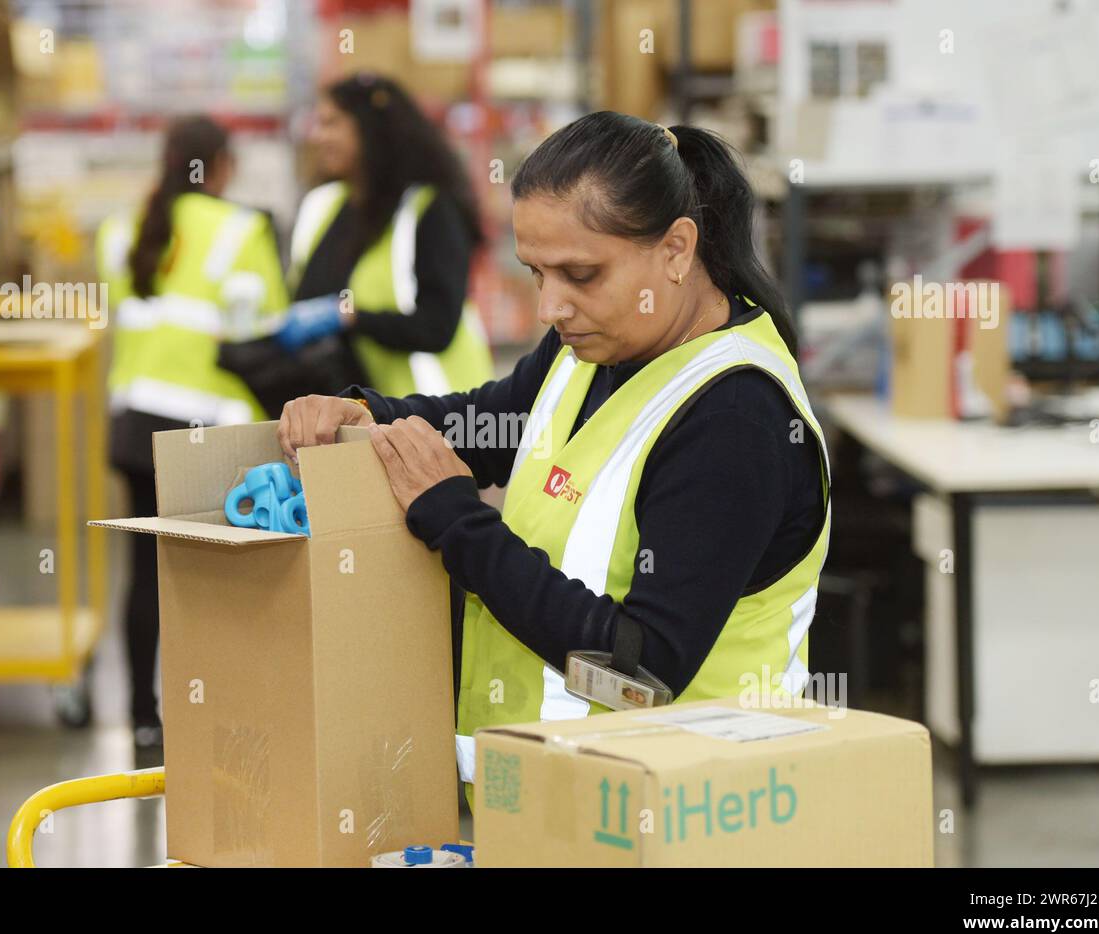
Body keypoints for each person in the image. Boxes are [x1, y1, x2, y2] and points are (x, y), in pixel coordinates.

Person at [276, 112, 830, 795]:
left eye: (580, 273)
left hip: (688, 815)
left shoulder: (736, 421)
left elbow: (637, 675)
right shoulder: (597, 343)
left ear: (677, 250)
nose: (551, 307)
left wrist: (457, 522)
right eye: (537, 273)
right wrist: (371, 415)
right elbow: (496, 422)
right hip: (562, 806)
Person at [96, 115, 288, 758]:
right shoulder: (243, 230)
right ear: (223, 165)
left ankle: (142, 717)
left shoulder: (123, 230)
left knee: (144, 578)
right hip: (206, 433)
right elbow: (267, 331)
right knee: (219, 582)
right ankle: (225, 714)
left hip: (133, 427)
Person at [277, 72, 493, 396]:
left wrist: (350, 318)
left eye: (331, 123)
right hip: (366, 416)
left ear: (370, 129)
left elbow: (437, 327)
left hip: (439, 414)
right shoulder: (324, 206)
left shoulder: (429, 209)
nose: (318, 137)